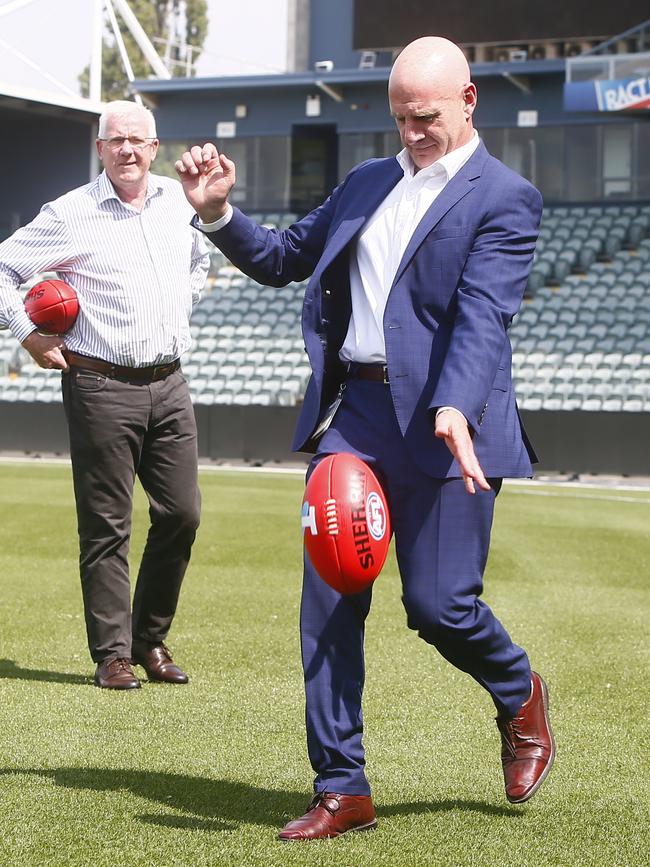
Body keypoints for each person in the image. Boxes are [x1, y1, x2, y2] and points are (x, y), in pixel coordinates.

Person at [176, 36, 554, 839]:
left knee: (440, 605)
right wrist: (216, 213)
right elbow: (283, 259)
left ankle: (519, 689)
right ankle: (341, 785)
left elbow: (484, 315)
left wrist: (453, 405)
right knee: (331, 596)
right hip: (358, 418)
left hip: (455, 424)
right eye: (400, 119)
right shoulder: (368, 182)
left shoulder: (507, 197)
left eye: (426, 118)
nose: (412, 133)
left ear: (467, 101)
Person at [0, 100, 209, 690]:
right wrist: (29, 335)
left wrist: (182, 304)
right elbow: (2, 267)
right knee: (107, 525)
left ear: (155, 145)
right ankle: (114, 654)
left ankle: (149, 639)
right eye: (116, 140)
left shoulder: (176, 201)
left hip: (169, 381)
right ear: (100, 149)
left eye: (138, 140)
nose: (127, 150)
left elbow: (198, 261)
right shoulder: (70, 212)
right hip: (99, 383)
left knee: (183, 515)